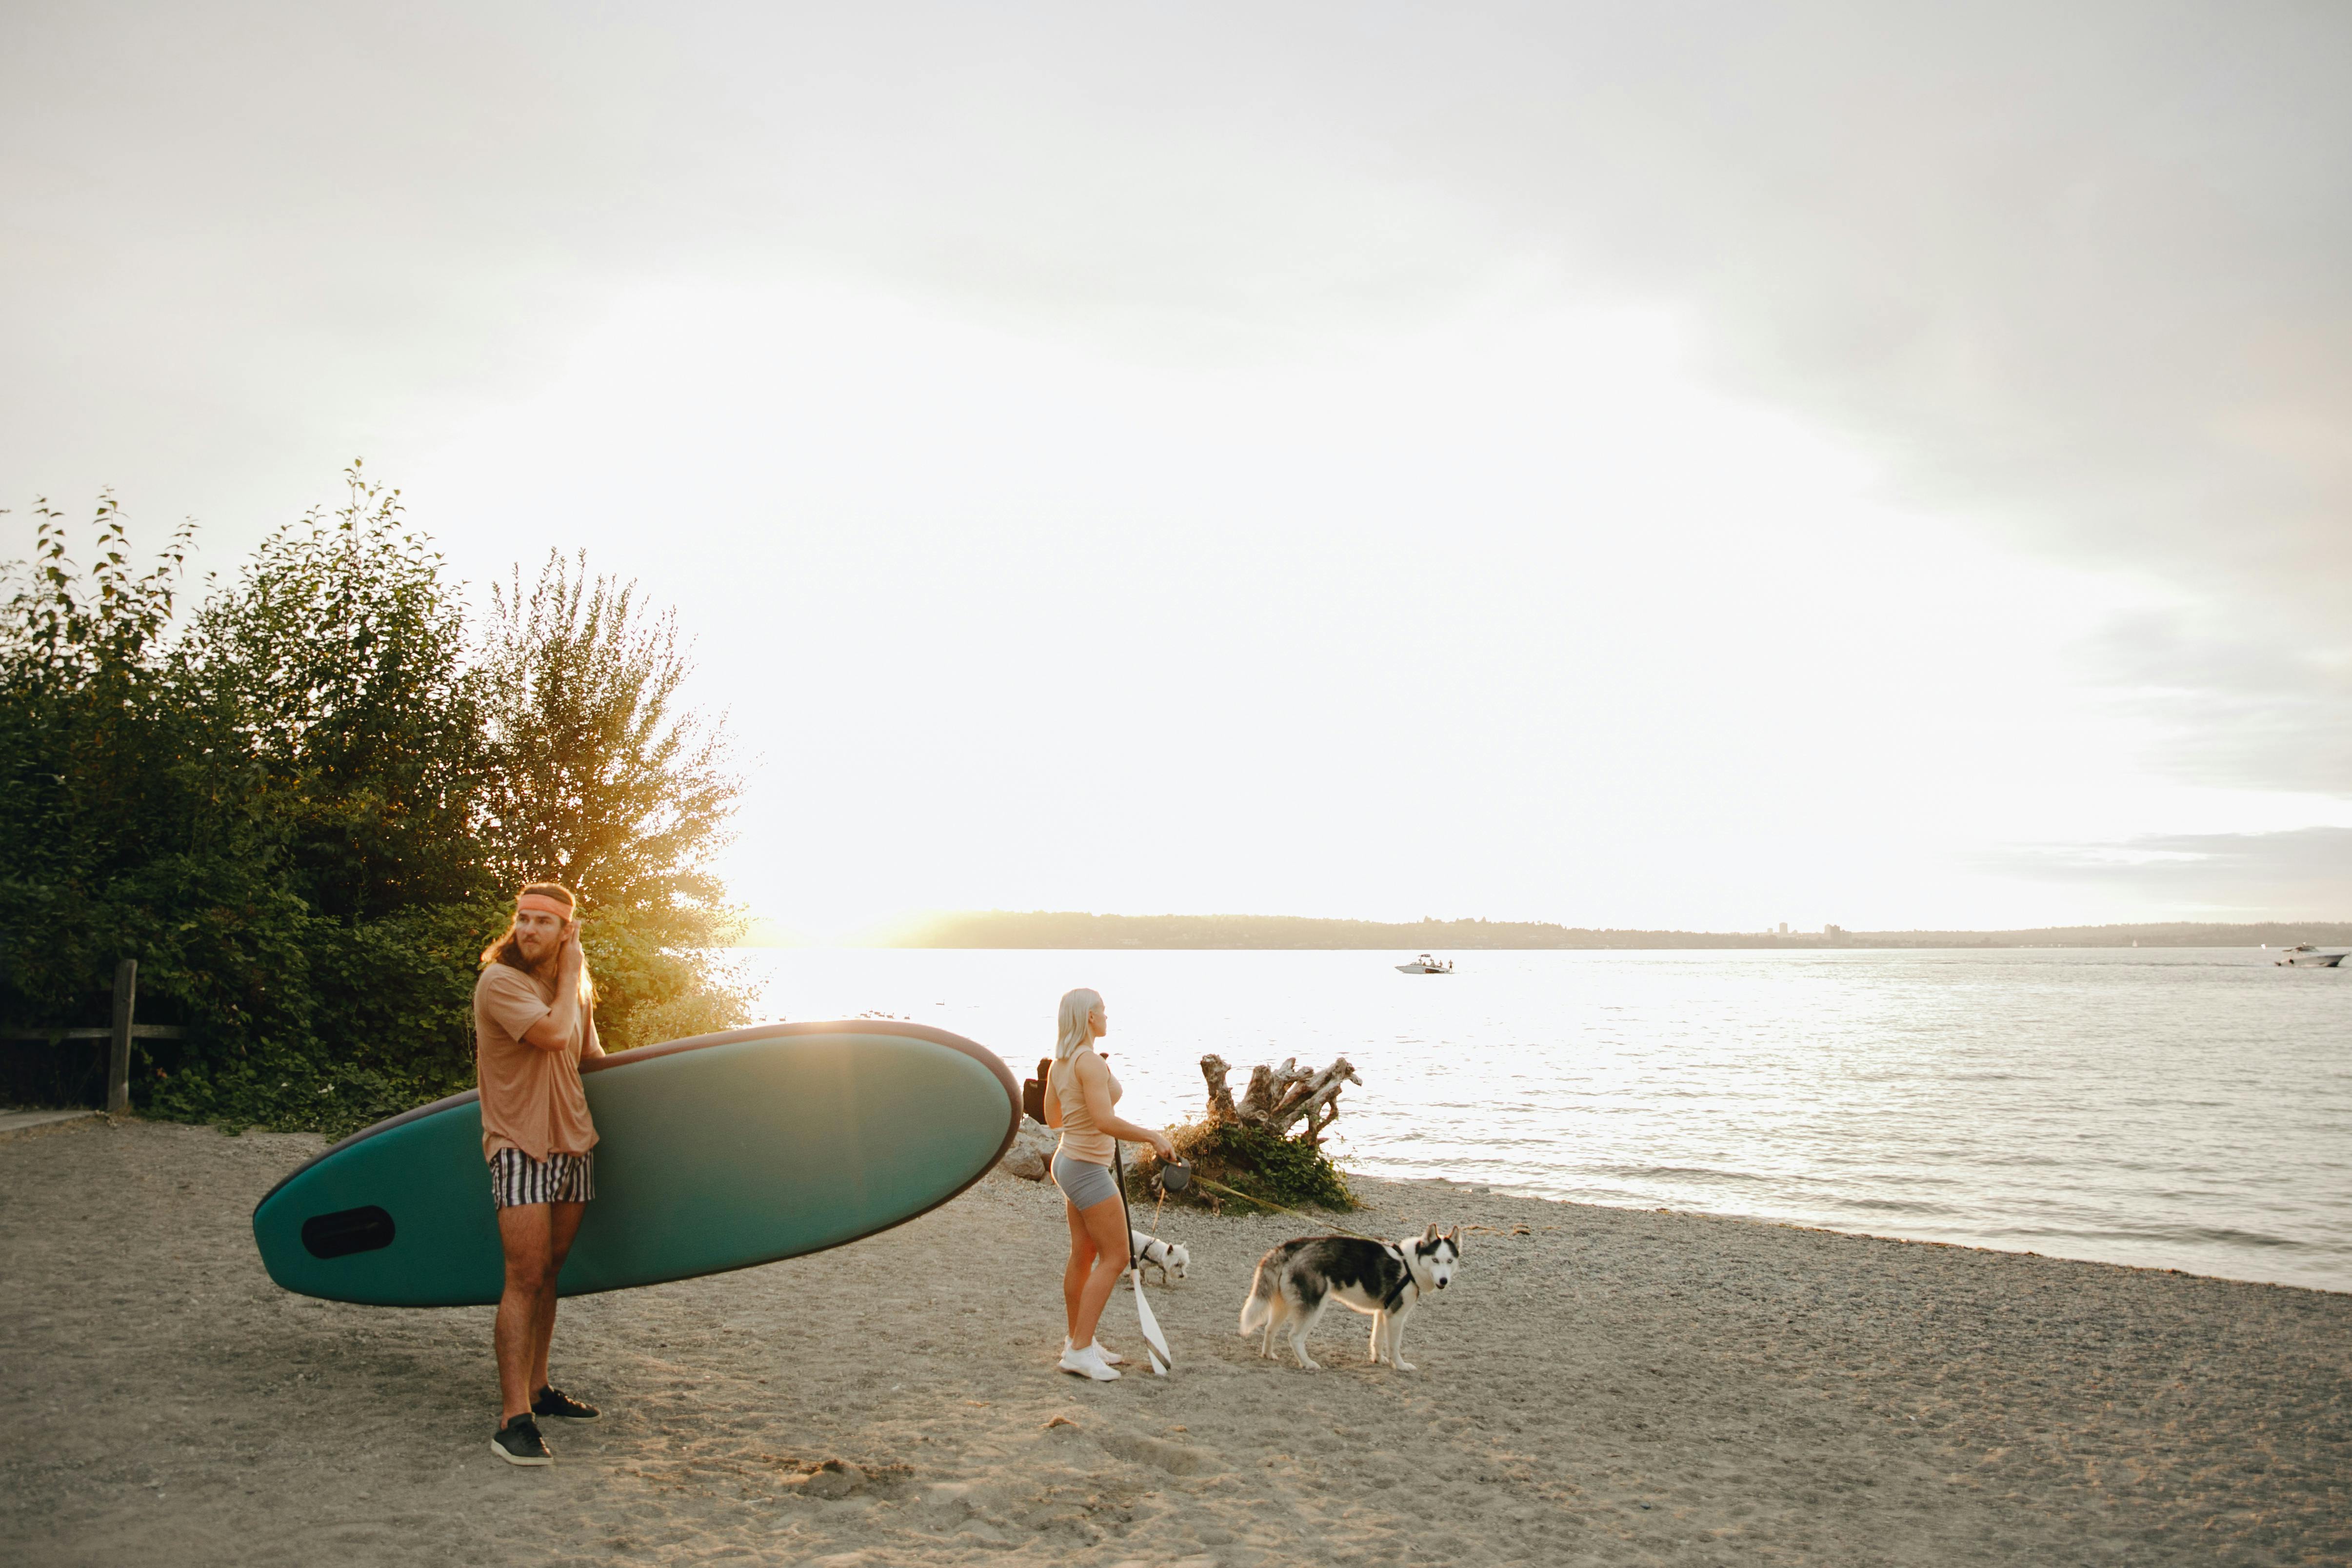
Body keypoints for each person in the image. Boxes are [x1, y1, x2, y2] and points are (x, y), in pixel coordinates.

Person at [474, 882, 607, 1465]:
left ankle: (539, 1387)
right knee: (523, 1276)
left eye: (543, 922)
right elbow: (552, 1035)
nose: (528, 929)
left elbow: (591, 1058)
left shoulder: (572, 989)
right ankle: (512, 1418)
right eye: (523, 919)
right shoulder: (500, 982)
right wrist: (574, 966)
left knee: (551, 1270)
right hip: (522, 1145)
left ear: (564, 928)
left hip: (573, 1140)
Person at [1042, 988, 1176, 1381]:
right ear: (1088, 1017)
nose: (1106, 1015)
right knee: (1116, 1256)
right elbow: (1103, 1120)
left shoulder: (1062, 1061)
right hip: (1086, 1168)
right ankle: (1080, 1350)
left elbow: (1053, 1118)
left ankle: (1078, 1339)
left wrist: (1089, 1087)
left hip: (1067, 1161)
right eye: (1102, 1009)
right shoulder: (1088, 1063)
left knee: (1083, 1254)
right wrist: (1152, 1136)